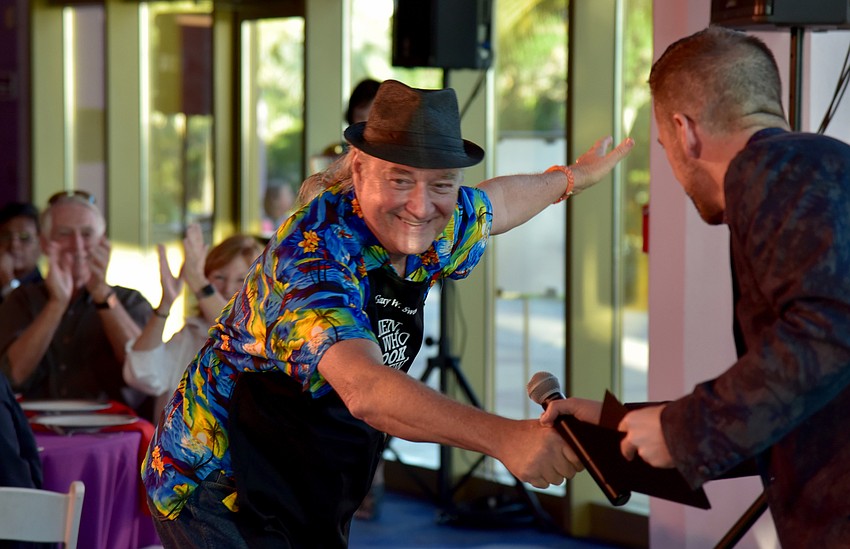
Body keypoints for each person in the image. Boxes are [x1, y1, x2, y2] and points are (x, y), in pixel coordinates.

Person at [142, 79, 633, 548]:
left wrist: (572, 178)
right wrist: (506, 438)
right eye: (400, 180)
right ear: (358, 170)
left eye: (441, 184)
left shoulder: (436, 217)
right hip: (216, 484)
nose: (421, 206)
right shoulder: (313, 256)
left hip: (305, 470)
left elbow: (497, 203)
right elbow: (366, 388)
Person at [544, 26, 850, 547]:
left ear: (685, 132)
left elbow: (829, 333)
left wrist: (683, 430)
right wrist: (628, 424)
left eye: (664, 148)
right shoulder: (815, 168)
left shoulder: (775, 170)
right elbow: (802, 395)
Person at [0, 191, 153, 408]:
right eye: (64, 234)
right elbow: (12, 376)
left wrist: (101, 293)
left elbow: (147, 372)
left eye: (87, 234)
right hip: (36, 432)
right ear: (44, 244)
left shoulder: (130, 301)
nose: (77, 245)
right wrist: (56, 304)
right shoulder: (21, 299)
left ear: (103, 242)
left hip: (115, 432)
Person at [123, 224, 264, 419]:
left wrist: (198, 282)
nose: (226, 288)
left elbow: (236, 336)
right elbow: (142, 375)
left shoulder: (263, 334)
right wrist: (165, 305)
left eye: (241, 279)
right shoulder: (192, 331)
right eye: (219, 277)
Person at [0, 202, 42, 303]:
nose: (14, 245)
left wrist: (8, 281)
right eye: (6, 236)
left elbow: (26, 317)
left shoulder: (47, 291)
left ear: (41, 245)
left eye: (24, 238)